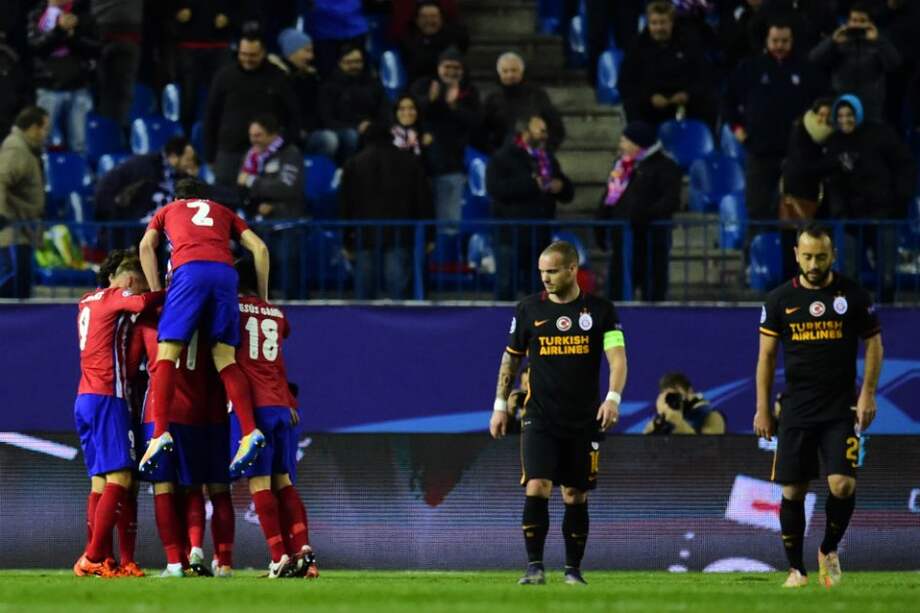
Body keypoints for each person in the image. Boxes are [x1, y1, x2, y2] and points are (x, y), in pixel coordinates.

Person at [490, 240, 627, 586]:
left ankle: (572, 571)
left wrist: (612, 398)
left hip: (583, 418)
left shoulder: (600, 310)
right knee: (537, 485)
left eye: (552, 271)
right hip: (539, 415)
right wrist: (500, 405)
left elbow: (617, 358)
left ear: (572, 269)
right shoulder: (527, 310)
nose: (546, 279)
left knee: (574, 494)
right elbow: (511, 358)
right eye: (541, 272)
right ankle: (534, 567)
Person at [754, 223, 883, 588]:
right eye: (807, 256)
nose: (813, 263)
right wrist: (763, 408)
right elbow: (766, 357)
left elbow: (874, 344)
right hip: (795, 409)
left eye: (821, 257)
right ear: (796, 254)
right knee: (793, 490)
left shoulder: (853, 296)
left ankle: (828, 549)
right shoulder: (779, 300)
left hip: (840, 408)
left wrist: (868, 393)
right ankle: (796, 570)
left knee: (842, 485)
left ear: (833, 255)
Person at [136, 177, 270, 477]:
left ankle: (159, 433)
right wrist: (263, 298)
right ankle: (250, 431)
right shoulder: (223, 211)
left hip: (190, 271)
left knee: (167, 353)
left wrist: (158, 292)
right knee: (225, 357)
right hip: (225, 273)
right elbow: (259, 249)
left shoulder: (168, 209)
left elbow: (146, 246)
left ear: (178, 197)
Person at [72, 255, 163, 577]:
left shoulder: (86, 300)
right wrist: (172, 290)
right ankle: (93, 556)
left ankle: (103, 559)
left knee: (99, 482)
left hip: (85, 396)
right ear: (127, 281)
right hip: (108, 395)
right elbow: (140, 304)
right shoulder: (116, 295)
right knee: (121, 478)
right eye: (137, 282)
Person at [129, 308, 235, 578]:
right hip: (198, 413)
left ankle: (174, 562)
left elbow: (129, 368)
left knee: (163, 487)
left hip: (158, 413)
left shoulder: (149, 319)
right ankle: (202, 552)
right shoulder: (208, 318)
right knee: (193, 487)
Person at [233, 256, 318, 579]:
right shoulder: (275, 313)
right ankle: (304, 553)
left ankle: (278, 557)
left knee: (259, 483)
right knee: (284, 483)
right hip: (282, 406)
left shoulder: (233, 311)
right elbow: (281, 340)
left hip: (255, 408)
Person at [722, 21, 824, 222]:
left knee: (797, 214)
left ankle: (794, 254)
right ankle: (755, 252)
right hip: (761, 152)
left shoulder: (806, 69)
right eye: (775, 41)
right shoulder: (750, 68)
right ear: (767, 41)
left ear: (792, 41)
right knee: (758, 211)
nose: (780, 46)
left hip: (797, 155)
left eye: (784, 41)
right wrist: (737, 128)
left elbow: (820, 103)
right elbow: (727, 101)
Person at [822, 94, 915, 302]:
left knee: (887, 275)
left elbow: (904, 165)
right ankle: (852, 316)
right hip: (850, 219)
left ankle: (887, 315)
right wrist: (840, 213)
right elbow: (832, 182)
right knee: (847, 274)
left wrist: (900, 201)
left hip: (883, 215)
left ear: (859, 113)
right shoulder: (833, 143)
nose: (845, 120)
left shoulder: (881, 135)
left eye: (850, 115)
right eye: (841, 115)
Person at [339, 122, 433, 300]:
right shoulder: (409, 161)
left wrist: (346, 240)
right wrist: (430, 235)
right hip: (399, 235)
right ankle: (400, 327)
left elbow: (345, 205)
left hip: (364, 236)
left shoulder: (353, 164)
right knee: (398, 294)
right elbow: (423, 200)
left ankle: (363, 327)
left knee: (364, 295)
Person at [486, 115, 574, 301]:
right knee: (506, 287)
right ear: (525, 133)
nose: (545, 135)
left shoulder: (547, 158)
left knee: (538, 290)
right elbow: (496, 189)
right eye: (540, 130)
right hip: (510, 235)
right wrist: (532, 184)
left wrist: (562, 186)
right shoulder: (503, 157)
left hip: (539, 237)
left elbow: (567, 192)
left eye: (545, 130)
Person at [594, 121, 681, 301]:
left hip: (651, 241)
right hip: (622, 242)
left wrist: (643, 216)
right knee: (617, 293)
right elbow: (609, 197)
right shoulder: (621, 167)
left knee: (652, 293)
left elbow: (671, 201)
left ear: (638, 143)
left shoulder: (666, 166)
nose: (621, 145)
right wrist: (600, 225)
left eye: (625, 141)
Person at [203, 27, 300, 188]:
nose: (247, 59)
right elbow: (211, 116)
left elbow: (293, 115)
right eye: (243, 54)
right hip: (229, 152)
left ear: (263, 52)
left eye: (253, 55)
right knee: (225, 202)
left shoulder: (278, 77)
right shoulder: (225, 76)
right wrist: (210, 156)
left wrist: (284, 144)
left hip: (268, 154)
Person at [409, 46, 481, 231]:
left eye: (456, 68)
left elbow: (476, 122)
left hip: (452, 166)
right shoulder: (423, 86)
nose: (451, 72)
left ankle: (446, 260)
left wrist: (453, 106)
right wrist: (430, 100)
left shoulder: (469, 92)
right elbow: (409, 114)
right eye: (447, 66)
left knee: (448, 226)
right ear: (438, 67)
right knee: (420, 225)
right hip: (420, 168)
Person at [618, 1, 717, 128]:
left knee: (710, 103)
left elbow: (703, 76)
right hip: (648, 104)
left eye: (663, 22)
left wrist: (687, 94)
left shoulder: (688, 43)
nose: (659, 28)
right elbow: (626, 83)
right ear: (648, 23)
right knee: (632, 106)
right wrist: (650, 98)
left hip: (684, 102)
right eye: (654, 23)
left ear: (671, 22)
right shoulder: (637, 47)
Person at [27, 0, 99, 154]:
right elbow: (36, 47)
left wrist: (73, 35)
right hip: (48, 88)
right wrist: (59, 30)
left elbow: (94, 49)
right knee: (43, 143)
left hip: (79, 88)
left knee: (79, 143)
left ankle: (79, 176)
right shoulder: (36, 15)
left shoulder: (83, 16)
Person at [808, 3, 900, 122]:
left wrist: (878, 41)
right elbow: (814, 58)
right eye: (854, 20)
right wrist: (832, 41)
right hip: (842, 105)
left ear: (870, 23)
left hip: (870, 107)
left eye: (862, 21)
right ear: (848, 21)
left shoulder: (878, 41)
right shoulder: (840, 40)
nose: (857, 24)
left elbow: (895, 64)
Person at [0, 106, 51, 299]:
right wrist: (1, 215)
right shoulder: (17, 149)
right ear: (32, 127)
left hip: (21, 232)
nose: (45, 134)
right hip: (12, 234)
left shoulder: (25, 149)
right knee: (13, 295)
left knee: (19, 291)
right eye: (44, 128)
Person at [94, 136, 198, 221]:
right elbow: (105, 188)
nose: (191, 164)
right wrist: (116, 216)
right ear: (173, 157)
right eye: (188, 160)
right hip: (139, 227)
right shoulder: (143, 165)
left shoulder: (183, 176)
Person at [316, 45, 389, 163]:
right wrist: (355, 126)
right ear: (339, 63)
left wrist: (373, 125)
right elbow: (326, 119)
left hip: (371, 127)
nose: (354, 66)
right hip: (341, 130)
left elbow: (384, 110)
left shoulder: (372, 83)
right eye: (349, 62)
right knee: (351, 136)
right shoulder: (329, 86)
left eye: (358, 61)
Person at [170, 1, 235, 133]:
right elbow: (165, 10)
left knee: (223, 98)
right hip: (189, 46)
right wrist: (176, 14)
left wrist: (230, 17)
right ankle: (186, 140)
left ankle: (220, 137)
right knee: (189, 100)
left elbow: (242, 8)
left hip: (220, 46)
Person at [481, 52, 565, 153]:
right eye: (505, 71)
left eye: (514, 70)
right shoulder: (492, 99)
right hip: (501, 158)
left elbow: (557, 128)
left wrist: (546, 150)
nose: (510, 75)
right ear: (499, 74)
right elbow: (482, 131)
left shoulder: (537, 96)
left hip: (533, 156)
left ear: (522, 72)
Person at [275, 28, 331, 157]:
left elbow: (316, 110)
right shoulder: (276, 77)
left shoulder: (310, 77)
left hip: (307, 131)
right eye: (306, 51)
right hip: (283, 135)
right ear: (291, 52)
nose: (311, 56)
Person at [400, 0, 469, 82]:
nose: (429, 21)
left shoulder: (454, 40)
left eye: (434, 16)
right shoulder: (407, 42)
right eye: (424, 17)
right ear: (417, 20)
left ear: (441, 19)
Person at [643, 372, 725, 434]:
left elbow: (707, 450)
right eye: (668, 397)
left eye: (676, 395)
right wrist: (657, 423)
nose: (673, 400)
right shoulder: (661, 420)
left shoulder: (711, 416)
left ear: (690, 392)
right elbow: (645, 449)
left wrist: (677, 423)